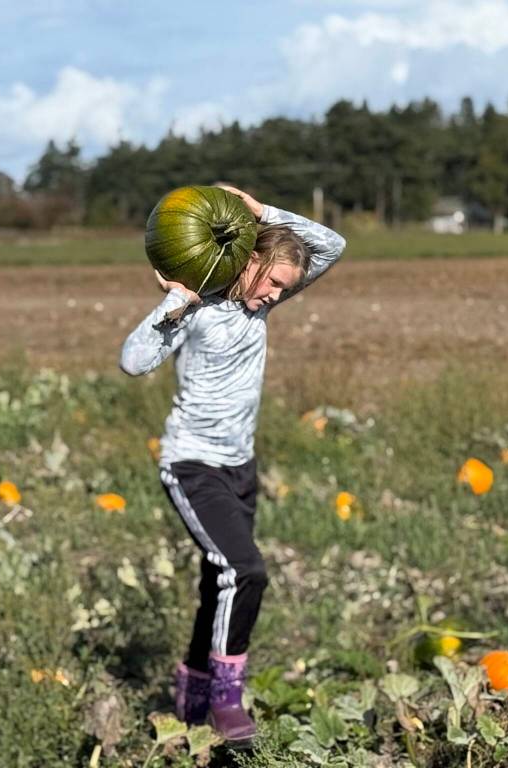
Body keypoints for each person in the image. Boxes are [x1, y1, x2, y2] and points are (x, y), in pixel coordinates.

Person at [119, 185, 346, 745]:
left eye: (283, 289)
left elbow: (332, 244)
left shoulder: (261, 305)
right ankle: (225, 699)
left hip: (242, 469)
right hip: (192, 465)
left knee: (214, 583)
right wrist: (175, 303)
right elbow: (132, 360)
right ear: (249, 262)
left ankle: (190, 705)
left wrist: (261, 211)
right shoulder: (198, 307)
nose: (273, 295)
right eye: (270, 281)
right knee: (245, 572)